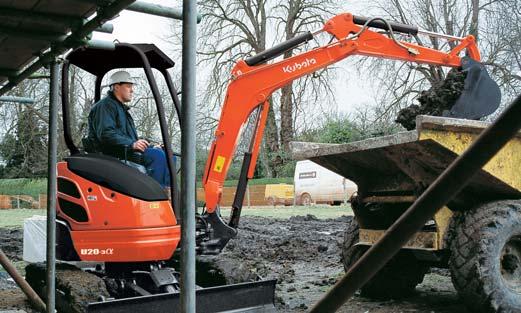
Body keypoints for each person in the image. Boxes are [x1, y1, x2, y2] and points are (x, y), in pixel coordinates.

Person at [85, 70, 173, 188]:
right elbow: (106, 134)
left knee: (168, 154)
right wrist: (132, 144)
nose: (132, 90)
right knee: (157, 156)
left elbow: (127, 137)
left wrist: (148, 144)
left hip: (125, 150)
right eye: (128, 86)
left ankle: (168, 194)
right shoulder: (105, 106)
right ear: (116, 87)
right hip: (113, 153)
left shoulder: (121, 109)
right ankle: (157, 195)